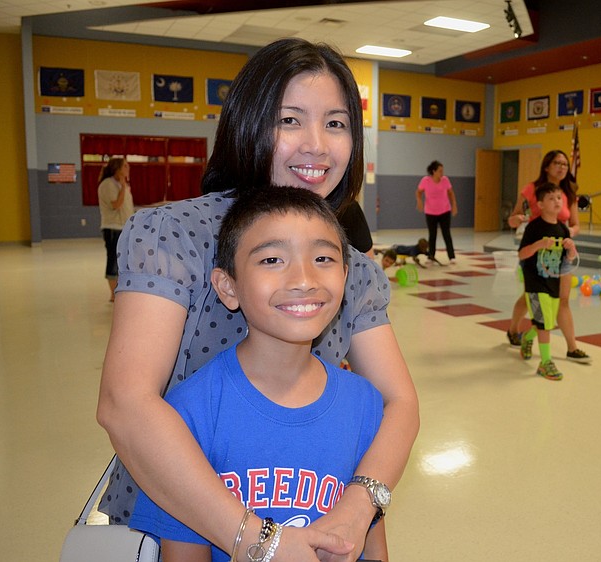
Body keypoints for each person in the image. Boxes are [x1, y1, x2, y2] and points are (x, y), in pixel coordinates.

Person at [97, 38, 419, 562]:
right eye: (290, 120)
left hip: (305, 513)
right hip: (170, 523)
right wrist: (260, 541)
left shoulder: (353, 269)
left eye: (336, 123)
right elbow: (125, 402)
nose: (316, 144)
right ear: (247, 124)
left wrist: (360, 507)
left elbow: (399, 403)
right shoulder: (175, 233)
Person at [130, 186, 387, 562]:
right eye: (271, 260)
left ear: (346, 276)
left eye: (322, 258)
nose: (304, 278)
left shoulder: (364, 403)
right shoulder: (188, 412)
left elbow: (374, 548)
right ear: (228, 287)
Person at [506, 150, 591, 364]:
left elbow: (575, 224)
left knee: (561, 299)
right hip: (536, 254)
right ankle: (514, 329)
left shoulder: (568, 193)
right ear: (547, 166)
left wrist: (567, 234)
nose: (562, 167)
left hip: (559, 254)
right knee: (530, 297)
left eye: (564, 163)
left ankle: (572, 347)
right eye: (557, 163)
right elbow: (514, 219)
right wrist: (519, 219)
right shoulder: (532, 189)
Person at [518, 182, 579, 381]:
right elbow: (522, 254)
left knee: (547, 323)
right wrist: (539, 245)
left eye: (559, 198)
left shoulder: (563, 229)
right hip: (535, 283)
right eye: (551, 198)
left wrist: (570, 250)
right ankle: (545, 362)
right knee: (543, 321)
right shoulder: (534, 228)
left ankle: (527, 338)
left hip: (552, 282)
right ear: (541, 204)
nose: (557, 201)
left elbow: (567, 261)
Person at [97, 157, 134, 301]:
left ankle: (121, 289)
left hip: (124, 227)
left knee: (123, 261)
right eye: (125, 166)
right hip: (113, 228)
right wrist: (123, 187)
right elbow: (116, 205)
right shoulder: (108, 184)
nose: (128, 168)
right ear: (117, 168)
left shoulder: (121, 184)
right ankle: (113, 294)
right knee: (113, 260)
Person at [416, 160, 457, 265]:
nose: (442, 173)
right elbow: (419, 192)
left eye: (442, 171)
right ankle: (431, 256)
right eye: (440, 171)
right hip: (430, 212)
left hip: (444, 211)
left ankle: (452, 256)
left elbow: (451, 193)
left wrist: (454, 206)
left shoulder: (445, 180)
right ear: (433, 171)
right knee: (432, 235)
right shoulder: (426, 180)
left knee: (446, 233)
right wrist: (419, 202)